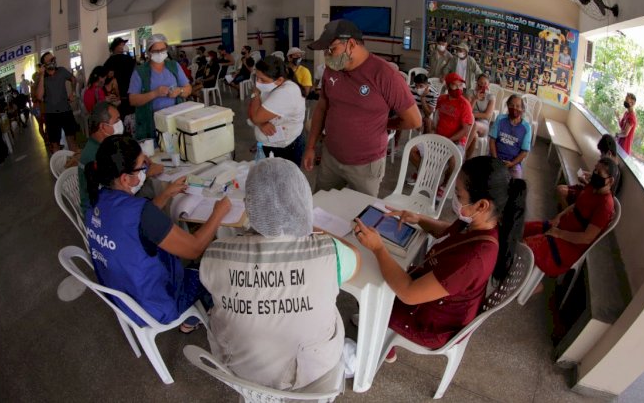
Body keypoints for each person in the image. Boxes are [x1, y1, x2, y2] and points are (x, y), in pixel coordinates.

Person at [200, 158, 361, 390]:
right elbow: (355, 259)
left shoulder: (215, 253)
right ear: (303, 200)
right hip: (311, 376)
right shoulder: (328, 251)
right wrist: (316, 231)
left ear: (249, 206)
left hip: (239, 371)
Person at [354, 156, 526, 360]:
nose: (455, 198)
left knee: (370, 288)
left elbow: (408, 294)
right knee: (377, 278)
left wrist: (378, 248)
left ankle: (382, 347)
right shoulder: (482, 224)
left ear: (481, 205)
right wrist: (419, 219)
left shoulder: (475, 258)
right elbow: (449, 231)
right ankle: (378, 329)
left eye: (458, 194)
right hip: (433, 300)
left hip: (431, 324)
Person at [84, 135, 231, 332]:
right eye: (141, 167)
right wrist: (218, 212)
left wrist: (166, 194)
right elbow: (194, 248)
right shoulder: (141, 212)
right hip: (156, 306)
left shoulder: (96, 202)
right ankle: (192, 319)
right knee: (211, 264)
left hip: (124, 298)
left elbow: (132, 225)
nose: (145, 171)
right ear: (125, 179)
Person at [303, 19, 421, 196]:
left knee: (361, 215)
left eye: (332, 49)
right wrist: (311, 146)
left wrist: (387, 125)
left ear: (351, 44)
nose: (327, 55)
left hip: (366, 165)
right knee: (322, 209)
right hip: (330, 158)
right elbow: (322, 107)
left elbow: (414, 120)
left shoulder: (385, 75)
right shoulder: (332, 69)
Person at [524, 157, 617, 279]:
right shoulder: (592, 187)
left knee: (525, 247)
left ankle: (533, 284)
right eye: (595, 170)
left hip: (571, 243)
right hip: (562, 226)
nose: (594, 174)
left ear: (610, 181)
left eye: (599, 173)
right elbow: (576, 205)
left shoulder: (605, 205)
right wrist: (559, 216)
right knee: (523, 228)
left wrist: (559, 233)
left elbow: (586, 238)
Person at [128, 34, 193, 140]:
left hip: (175, 118)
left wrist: (179, 91)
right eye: (155, 51)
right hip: (150, 122)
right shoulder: (140, 72)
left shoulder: (174, 66)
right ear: (149, 52)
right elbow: (132, 100)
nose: (159, 53)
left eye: (162, 49)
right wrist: (155, 93)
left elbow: (188, 89)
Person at [247, 56, 306, 166]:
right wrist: (261, 123)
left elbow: (255, 117)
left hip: (284, 149)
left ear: (279, 80)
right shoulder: (269, 85)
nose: (258, 83)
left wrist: (255, 94)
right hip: (271, 145)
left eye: (262, 80)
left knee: (284, 181)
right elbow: (251, 113)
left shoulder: (286, 92)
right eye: (257, 78)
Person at [556, 134, 619, 208]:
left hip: (591, 196)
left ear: (609, 153)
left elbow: (598, 192)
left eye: (602, 154)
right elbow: (598, 179)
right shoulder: (609, 166)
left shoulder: (615, 174)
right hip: (587, 190)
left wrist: (584, 181)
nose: (601, 157)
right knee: (560, 188)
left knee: (560, 191)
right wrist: (589, 174)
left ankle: (569, 213)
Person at [35, 51, 79, 152]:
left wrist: (73, 92)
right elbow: (39, 96)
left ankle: (76, 165)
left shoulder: (61, 71)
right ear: (44, 65)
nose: (53, 61)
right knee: (55, 145)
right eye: (50, 60)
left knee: (72, 141)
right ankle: (60, 166)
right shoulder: (42, 77)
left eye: (53, 58)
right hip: (51, 115)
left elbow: (73, 79)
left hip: (66, 111)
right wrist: (41, 75)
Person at [489, 94, 532, 179]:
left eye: (518, 106)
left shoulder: (526, 127)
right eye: (511, 105)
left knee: (515, 184)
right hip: (495, 157)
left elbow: (524, 152)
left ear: (522, 109)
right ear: (508, 106)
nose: (514, 108)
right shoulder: (500, 119)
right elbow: (492, 140)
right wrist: (496, 159)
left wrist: (512, 163)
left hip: (513, 163)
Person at [104, 37, 137, 125]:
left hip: (129, 93)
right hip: (120, 96)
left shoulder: (126, 59)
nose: (123, 46)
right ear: (115, 47)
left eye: (123, 44)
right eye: (121, 45)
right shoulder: (111, 61)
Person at [468, 74, 495, 156]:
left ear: (488, 85)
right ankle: (467, 158)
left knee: (475, 125)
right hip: (470, 121)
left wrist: (472, 115)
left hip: (483, 124)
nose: (482, 86)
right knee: (474, 136)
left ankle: (462, 150)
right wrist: (475, 99)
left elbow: (487, 115)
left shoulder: (491, 97)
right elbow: (467, 110)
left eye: (485, 83)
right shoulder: (470, 93)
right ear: (477, 83)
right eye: (480, 83)